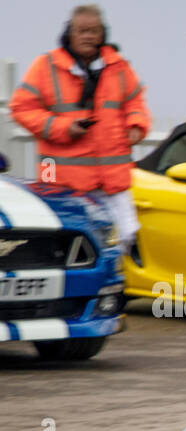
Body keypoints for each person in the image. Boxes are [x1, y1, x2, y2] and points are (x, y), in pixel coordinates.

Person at [9, 4, 150, 248]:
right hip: (64, 188)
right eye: (82, 30)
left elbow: (135, 102)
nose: (88, 36)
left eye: (94, 31)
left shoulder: (119, 68)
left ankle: (119, 287)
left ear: (103, 34)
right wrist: (62, 127)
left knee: (125, 244)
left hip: (113, 186)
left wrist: (136, 124)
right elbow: (21, 108)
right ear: (69, 33)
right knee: (71, 249)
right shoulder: (46, 67)